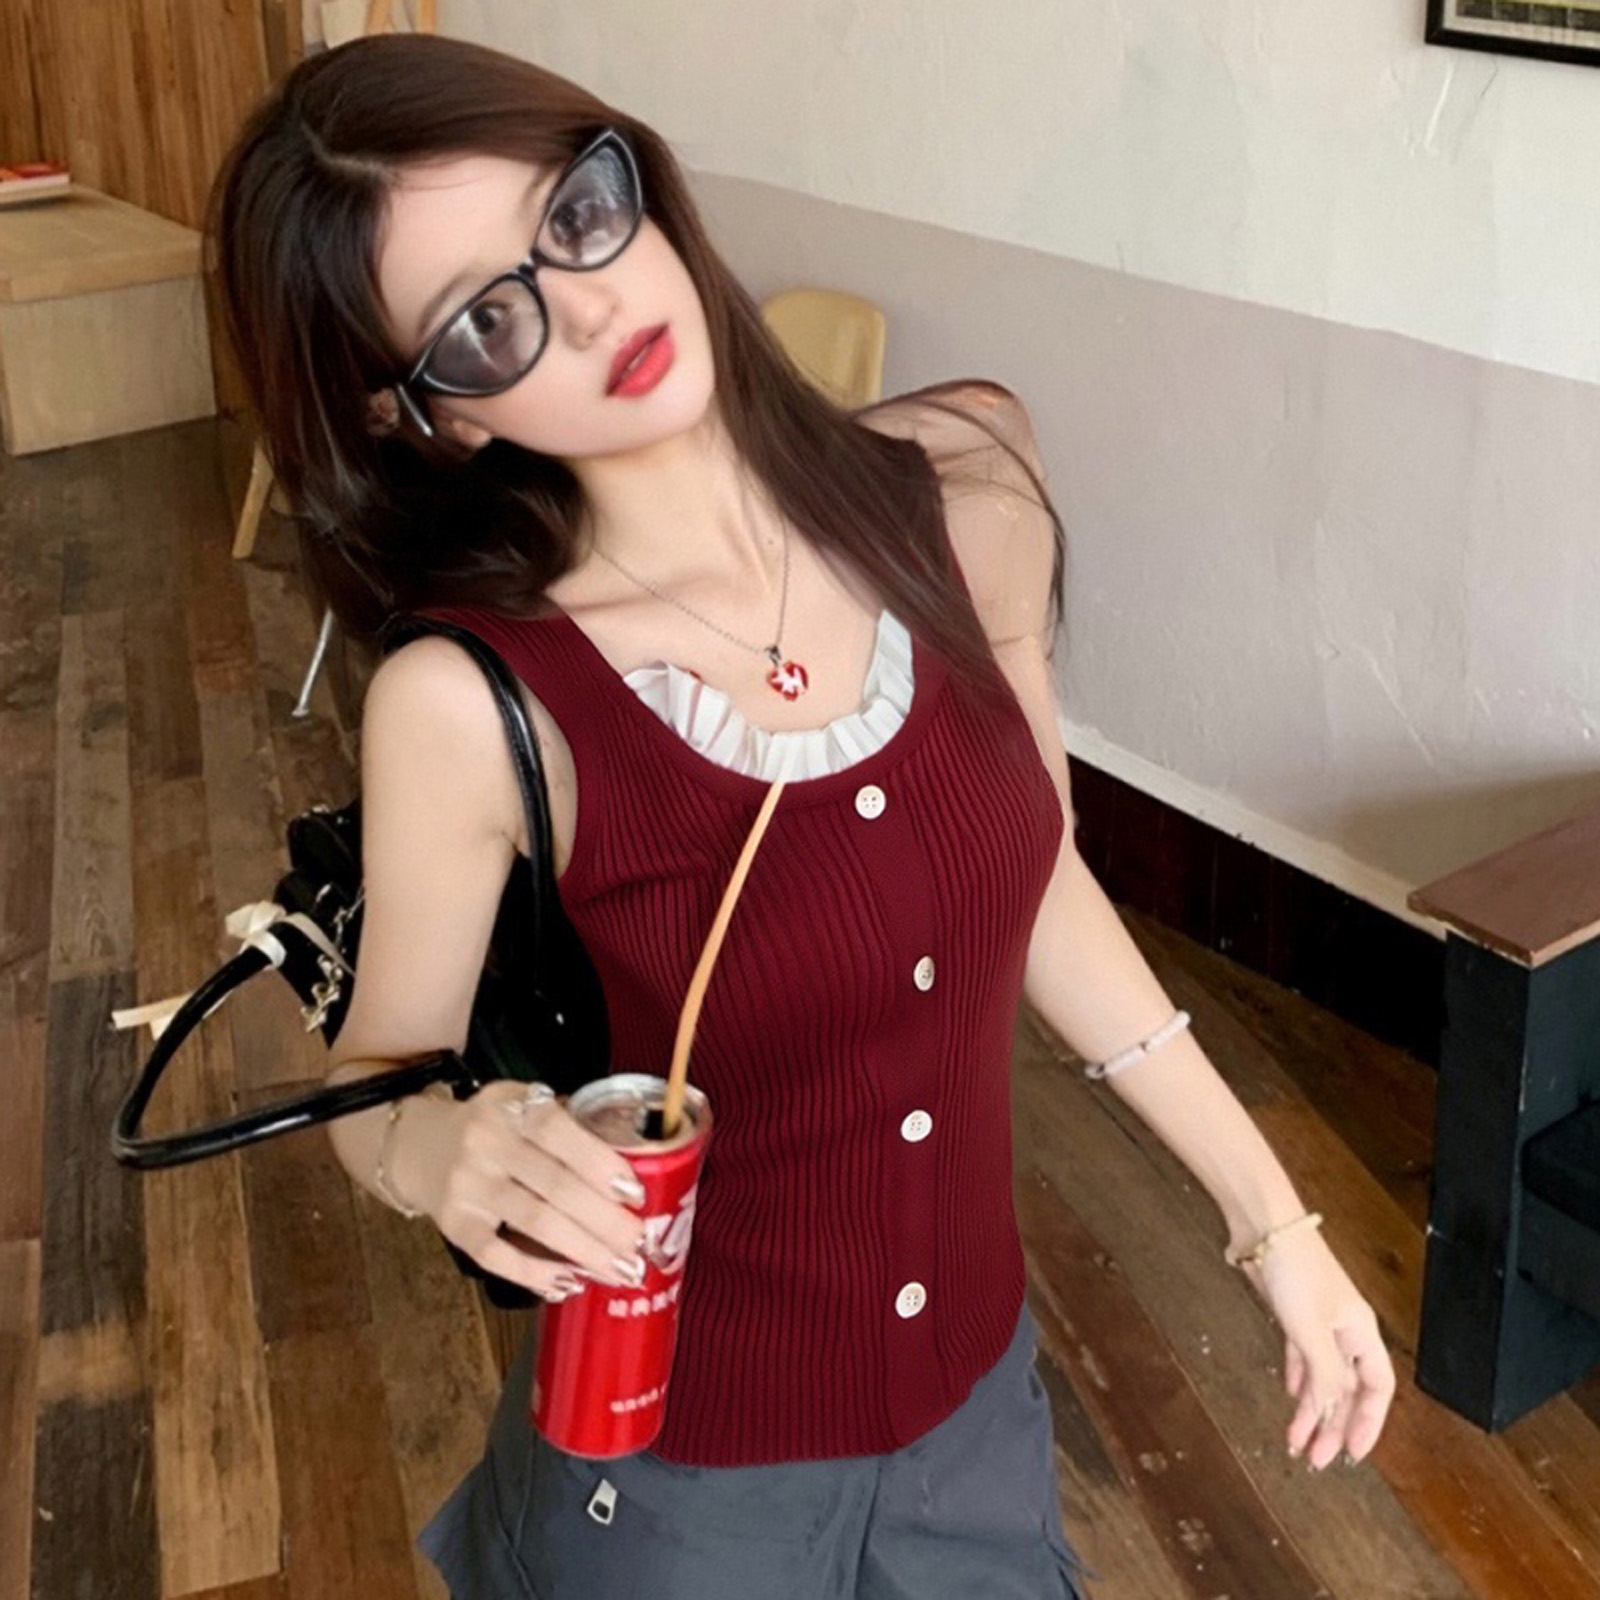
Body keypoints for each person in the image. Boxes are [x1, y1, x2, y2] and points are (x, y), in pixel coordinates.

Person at [207, 31, 1395, 1600]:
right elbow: (380, 1071)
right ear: (437, 419)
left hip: (978, 1424)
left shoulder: (967, 492)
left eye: (578, 214)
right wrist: (439, 1149)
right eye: (488, 321)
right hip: (671, 1488)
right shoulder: (472, 700)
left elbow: (1035, 879)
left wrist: (1274, 1222)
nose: (592, 306)